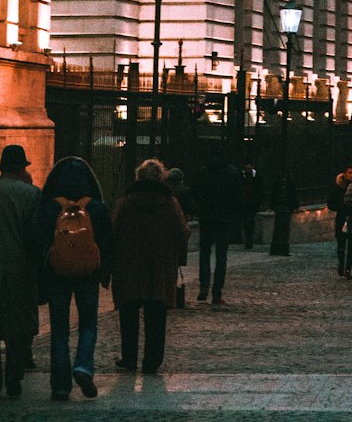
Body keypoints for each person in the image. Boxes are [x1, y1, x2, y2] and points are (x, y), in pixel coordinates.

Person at [36, 156, 114, 401]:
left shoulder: (49, 207)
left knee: (59, 330)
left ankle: (60, 385)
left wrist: (41, 275)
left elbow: (39, 242)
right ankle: (83, 366)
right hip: (88, 274)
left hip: (56, 274)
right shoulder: (96, 208)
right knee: (88, 323)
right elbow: (108, 243)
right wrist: (105, 274)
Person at [111, 158, 189, 376]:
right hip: (160, 266)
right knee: (156, 315)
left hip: (129, 265)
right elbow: (182, 232)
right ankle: (152, 360)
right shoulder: (170, 203)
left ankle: (129, 358)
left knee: (129, 313)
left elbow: (113, 231)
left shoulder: (125, 202)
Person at [0, 144, 40, 399]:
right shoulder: (32, 195)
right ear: (22, 167)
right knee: (18, 329)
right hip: (19, 269)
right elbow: (36, 238)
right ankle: (14, 375)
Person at [190, 151, 241, 305]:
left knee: (204, 253)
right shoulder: (231, 173)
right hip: (224, 218)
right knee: (221, 256)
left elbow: (195, 192)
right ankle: (217, 292)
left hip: (207, 217)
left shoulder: (204, 172)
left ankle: (204, 286)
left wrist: (201, 208)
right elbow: (237, 196)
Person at [328, 165, 352, 277]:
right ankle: (341, 262)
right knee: (341, 244)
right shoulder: (338, 188)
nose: (351, 174)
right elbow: (330, 203)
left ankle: (348, 269)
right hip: (342, 218)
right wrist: (340, 207)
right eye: (349, 172)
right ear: (345, 174)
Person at [240, 162, 262, 251]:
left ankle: (249, 240)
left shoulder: (255, 177)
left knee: (249, 222)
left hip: (251, 203)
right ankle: (248, 240)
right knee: (247, 222)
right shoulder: (243, 177)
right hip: (246, 203)